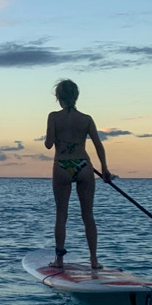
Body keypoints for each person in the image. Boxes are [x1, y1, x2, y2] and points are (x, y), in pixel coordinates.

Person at [44, 79, 111, 270]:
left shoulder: (53, 117)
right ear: (76, 96)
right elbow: (98, 144)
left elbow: (49, 144)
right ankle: (94, 261)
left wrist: (57, 136)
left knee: (61, 213)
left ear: (58, 97)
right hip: (84, 165)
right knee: (88, 215)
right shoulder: (86, 119)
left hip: (62, 166)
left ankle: (59, 261)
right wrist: (104, 168)